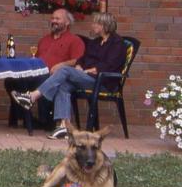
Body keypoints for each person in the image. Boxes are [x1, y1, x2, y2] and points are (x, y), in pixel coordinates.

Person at [13, 12, 127, 140]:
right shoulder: (96, 42)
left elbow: (111, 64)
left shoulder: (117, 43)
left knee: (64, 70)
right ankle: (63, 127)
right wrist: (79, 66)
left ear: (104, 25)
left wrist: (91, 70)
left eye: (96, 23)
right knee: (64, 86)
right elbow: (82, 59)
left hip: (104, 82)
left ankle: (32, 96)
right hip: (87, 77)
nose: (93, 25)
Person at [4, 8, 86, 123]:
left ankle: (43, 121)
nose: (54, 21)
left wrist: (62, 65)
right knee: (11, 80)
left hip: (54, 77)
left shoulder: (75, 40)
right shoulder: (44, 40)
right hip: (36, 74)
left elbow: (79, 60)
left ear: (67, 22)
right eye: (52, 18)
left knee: (42, 80)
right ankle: (26, 117)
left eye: (57, 18)